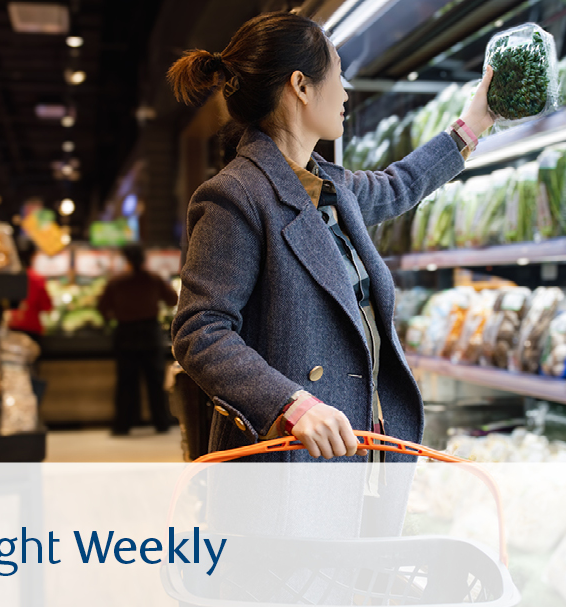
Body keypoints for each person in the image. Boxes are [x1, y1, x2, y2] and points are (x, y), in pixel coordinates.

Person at [168, 12, 496, 462]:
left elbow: (399, 185)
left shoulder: (329, 186)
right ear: (301, 86)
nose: (345, 92)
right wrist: (291, 404)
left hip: (364, 442)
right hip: (289, 459)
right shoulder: (234, 196)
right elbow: (199, 331)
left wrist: (474, 123)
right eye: (338, 75)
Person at [98, 243, 178, 434]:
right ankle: (161, 423)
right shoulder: (153, 279)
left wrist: (115, 315)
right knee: (155, 381)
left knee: (126, 382)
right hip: (149, 333)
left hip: (125, 334)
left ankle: (122, 425)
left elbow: (103, 308)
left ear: (125, 259)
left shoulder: (116, 282)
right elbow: (173, 299)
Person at [8, 245, 53, 343]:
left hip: (12, 326)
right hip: (32, 328)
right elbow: (47, 307)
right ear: (32, 257)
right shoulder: (37, 279)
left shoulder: (10, 278)